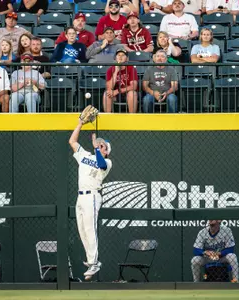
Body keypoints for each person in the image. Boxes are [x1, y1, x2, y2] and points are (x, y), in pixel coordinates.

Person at [68, 119, 113, 279]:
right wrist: (80, 123)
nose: (100, 146)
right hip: (80, 197)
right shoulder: (85, 156)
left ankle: (94, 262)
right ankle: (91, 260)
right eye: (99, 144)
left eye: (103, 146)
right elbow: (72, 141)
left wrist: (97, 149)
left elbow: (100, 164)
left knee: (90, 229)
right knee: (82, 231)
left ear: (106, 151)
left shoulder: (107, 161)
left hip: (92, 196)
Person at [103, 48, 138, 113]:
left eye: (123, 55)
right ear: (115, 58)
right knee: (106, 94)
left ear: (127, 59)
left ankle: (132, 117)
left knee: (132, 93)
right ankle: (108, 117)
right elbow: (109, 88)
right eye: (118, 55)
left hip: (127, 93)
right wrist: (116, 71)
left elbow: (133, 86)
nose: (120, 57)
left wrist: (118, 91)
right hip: (116, 96)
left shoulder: (131, 68)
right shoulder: (110, 70)